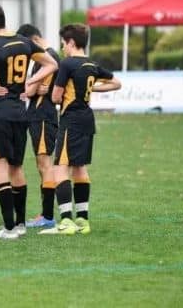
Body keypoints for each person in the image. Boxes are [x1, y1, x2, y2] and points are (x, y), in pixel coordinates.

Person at [0, 2, 58, 239]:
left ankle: (8, 228)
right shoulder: (25, 42)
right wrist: (31, 81)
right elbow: (52, 64)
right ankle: (20, 224)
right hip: (20, 111)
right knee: (17, 167)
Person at [40, 24, 121, 236]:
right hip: (87, 119)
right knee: (80, 168)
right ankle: (83, 221)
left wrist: (59, 92)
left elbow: (56, 97)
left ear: (72, 43)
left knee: (60, 168)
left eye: (63, 44)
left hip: (71, 121)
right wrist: (94, 87)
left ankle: (66, 221)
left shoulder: (67, 64)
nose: (63, 48)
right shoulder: (92, 64)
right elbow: (116, 83)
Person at [16, 24, 60, 229]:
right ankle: (46, 213)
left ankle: (49, 216)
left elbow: (33, 90)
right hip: (37, 116)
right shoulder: (42, 58)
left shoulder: (48, 57)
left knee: (45, 164)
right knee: (41, 164)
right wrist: (32, 89)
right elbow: (34, 89)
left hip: (43, 116)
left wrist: (31, 88)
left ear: (32, 40)